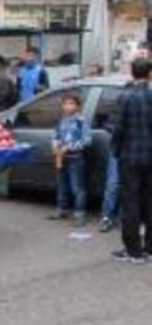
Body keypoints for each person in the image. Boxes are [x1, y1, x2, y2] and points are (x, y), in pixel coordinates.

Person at [109, 58, 152, 263]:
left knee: (131, 203)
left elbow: (116, 129)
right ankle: (150, 248)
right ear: (149, 74)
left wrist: (115, 150)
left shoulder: (125, 97)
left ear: (131, 73)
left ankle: (133, 251)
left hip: (130, 157)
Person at [48, 93, 92, 228]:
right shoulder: (61, 120)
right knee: (62, 185)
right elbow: (55, 135)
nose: (68, 106)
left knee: (77, 187)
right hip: (61, 158)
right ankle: (62, 209)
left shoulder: (81, 121)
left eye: (71, 103)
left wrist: (70, 147)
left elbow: (87, 141)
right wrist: (55, 146)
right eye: (65, 103)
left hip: (76, 158)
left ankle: (80, 213)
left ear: (78, 106)